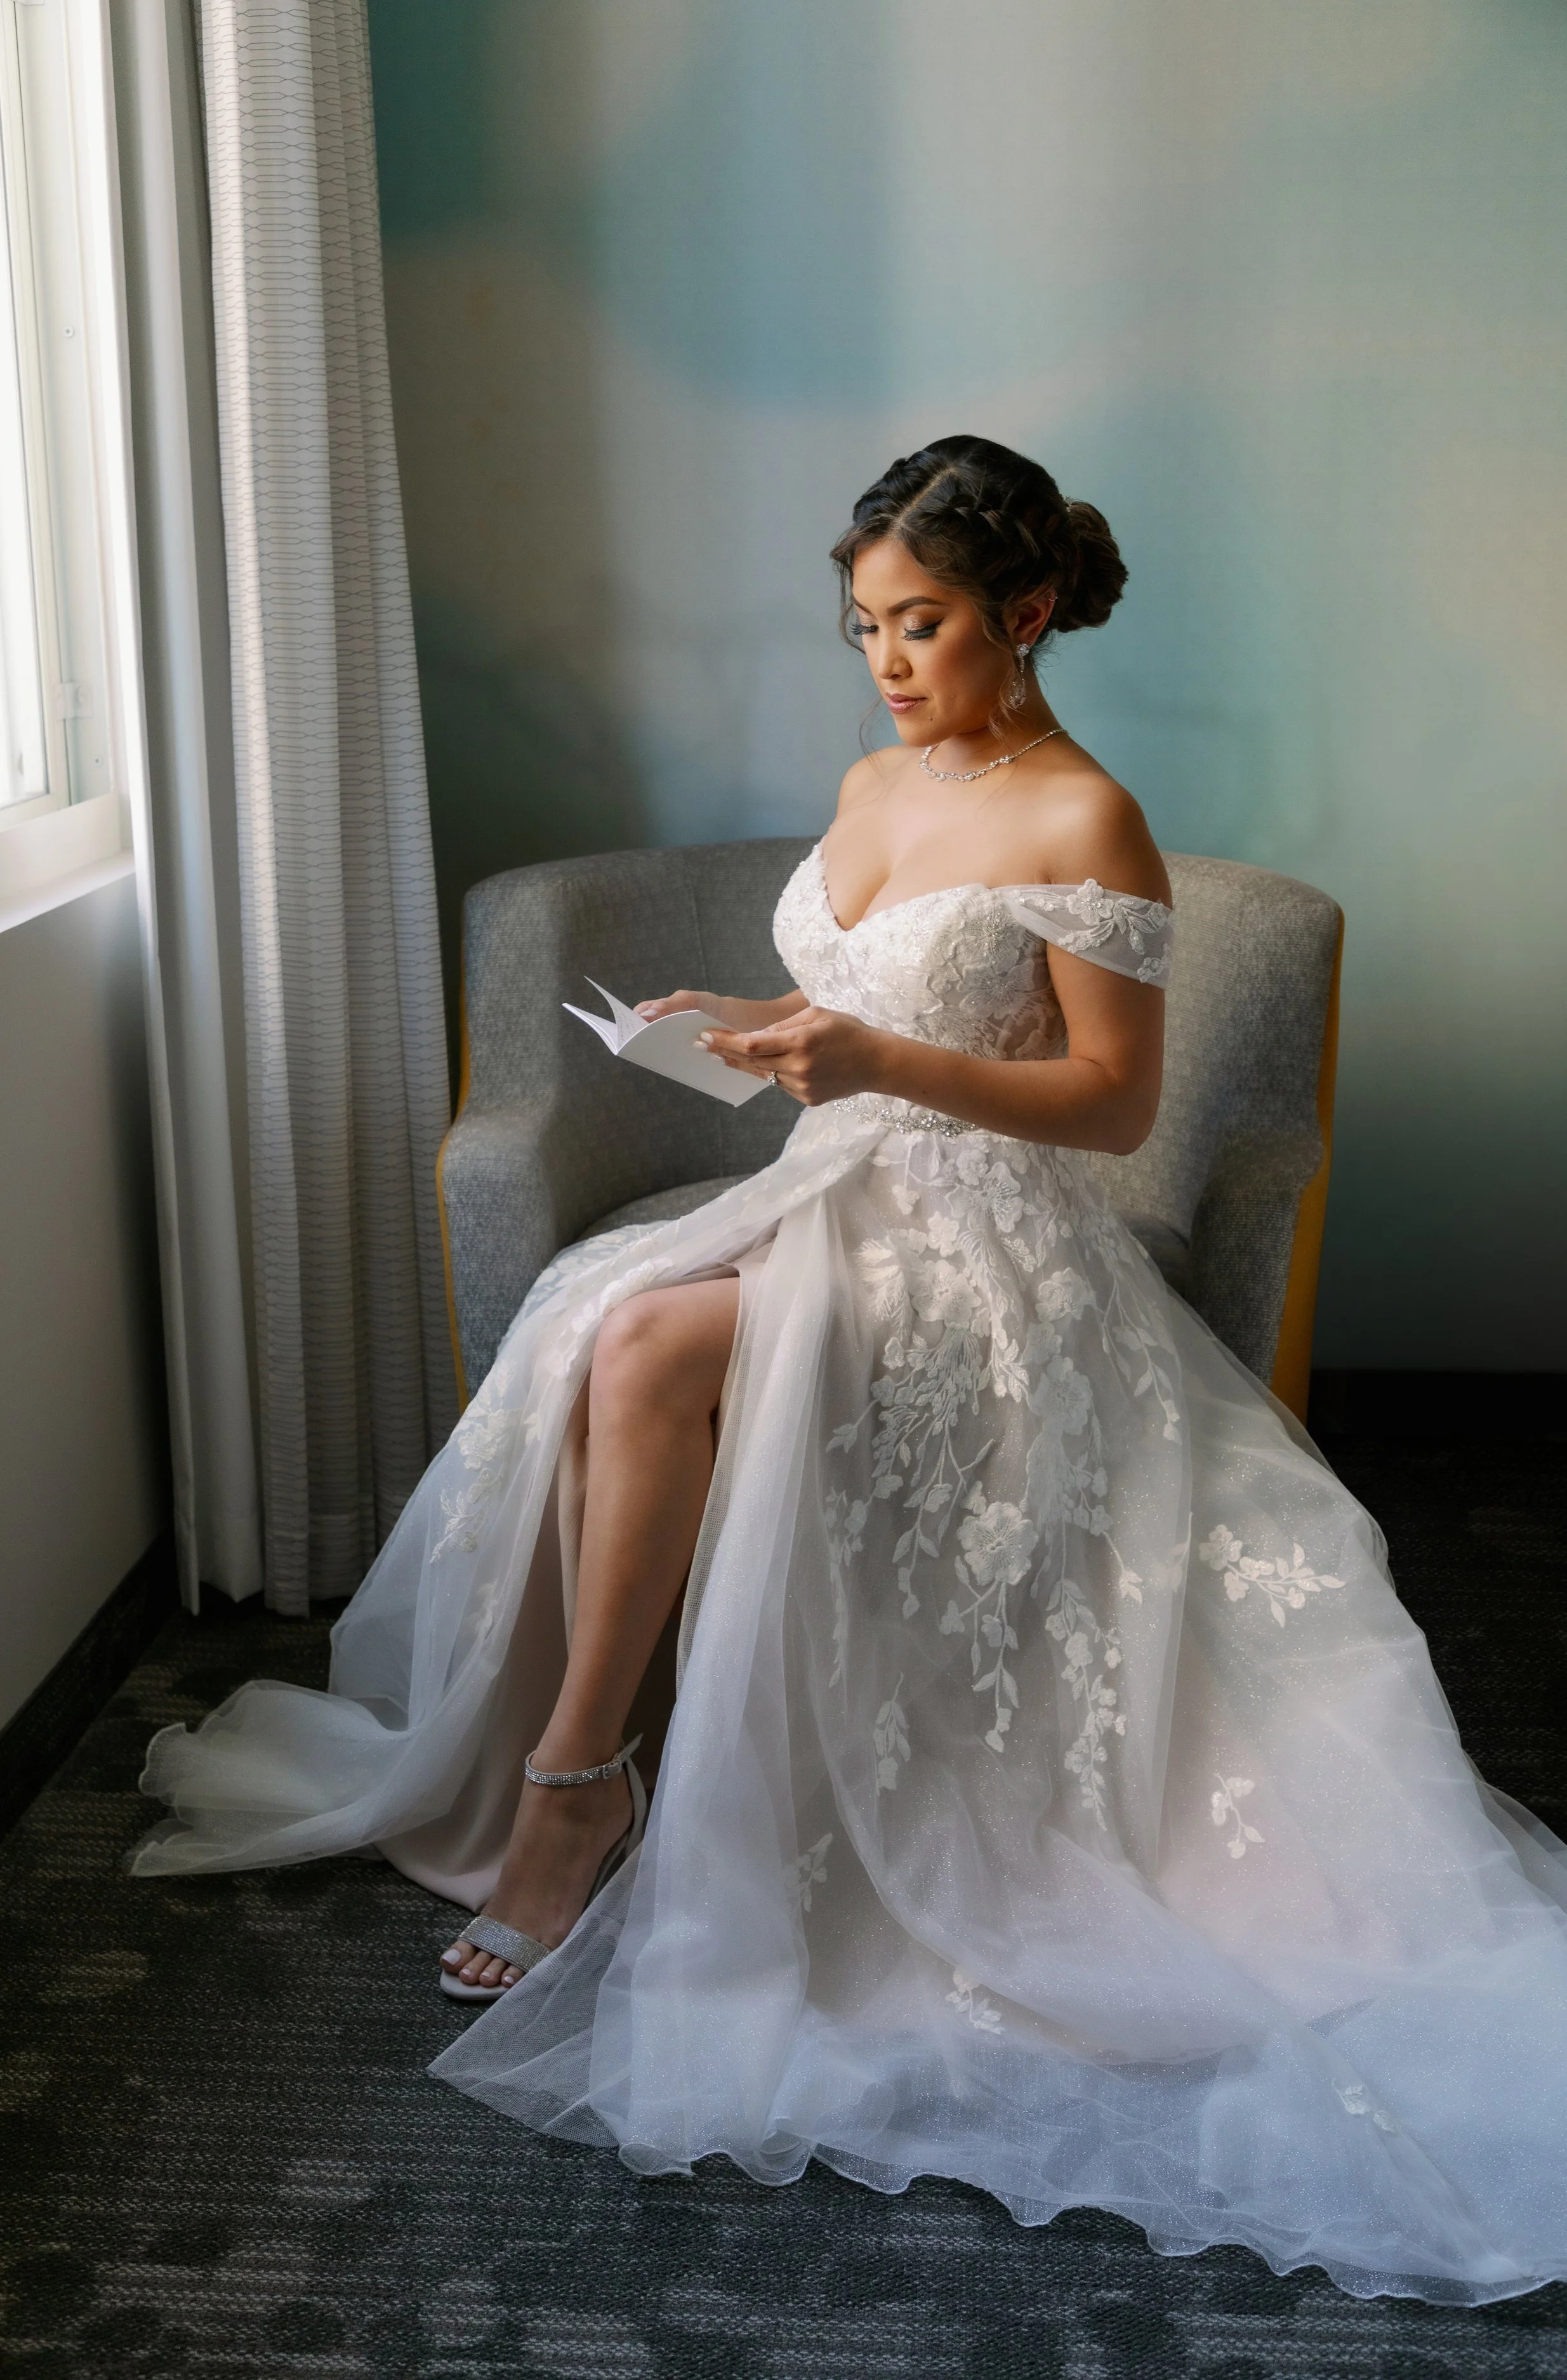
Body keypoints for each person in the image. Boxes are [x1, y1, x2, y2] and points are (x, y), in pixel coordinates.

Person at [135, 436, 1567, 2304]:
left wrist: (881, 1067)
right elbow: (855, 1009)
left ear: (1027, 614)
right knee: (609, 1331)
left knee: (640, 1331)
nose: (887, 661)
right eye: (866, 625)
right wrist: (736, 1035)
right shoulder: (871, 778)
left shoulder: (1086, 819)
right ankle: (592, 1762)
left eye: (924, 623)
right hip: (832, 1186)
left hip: (986, 1248)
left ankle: (580, 1790)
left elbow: (1106, 1100)